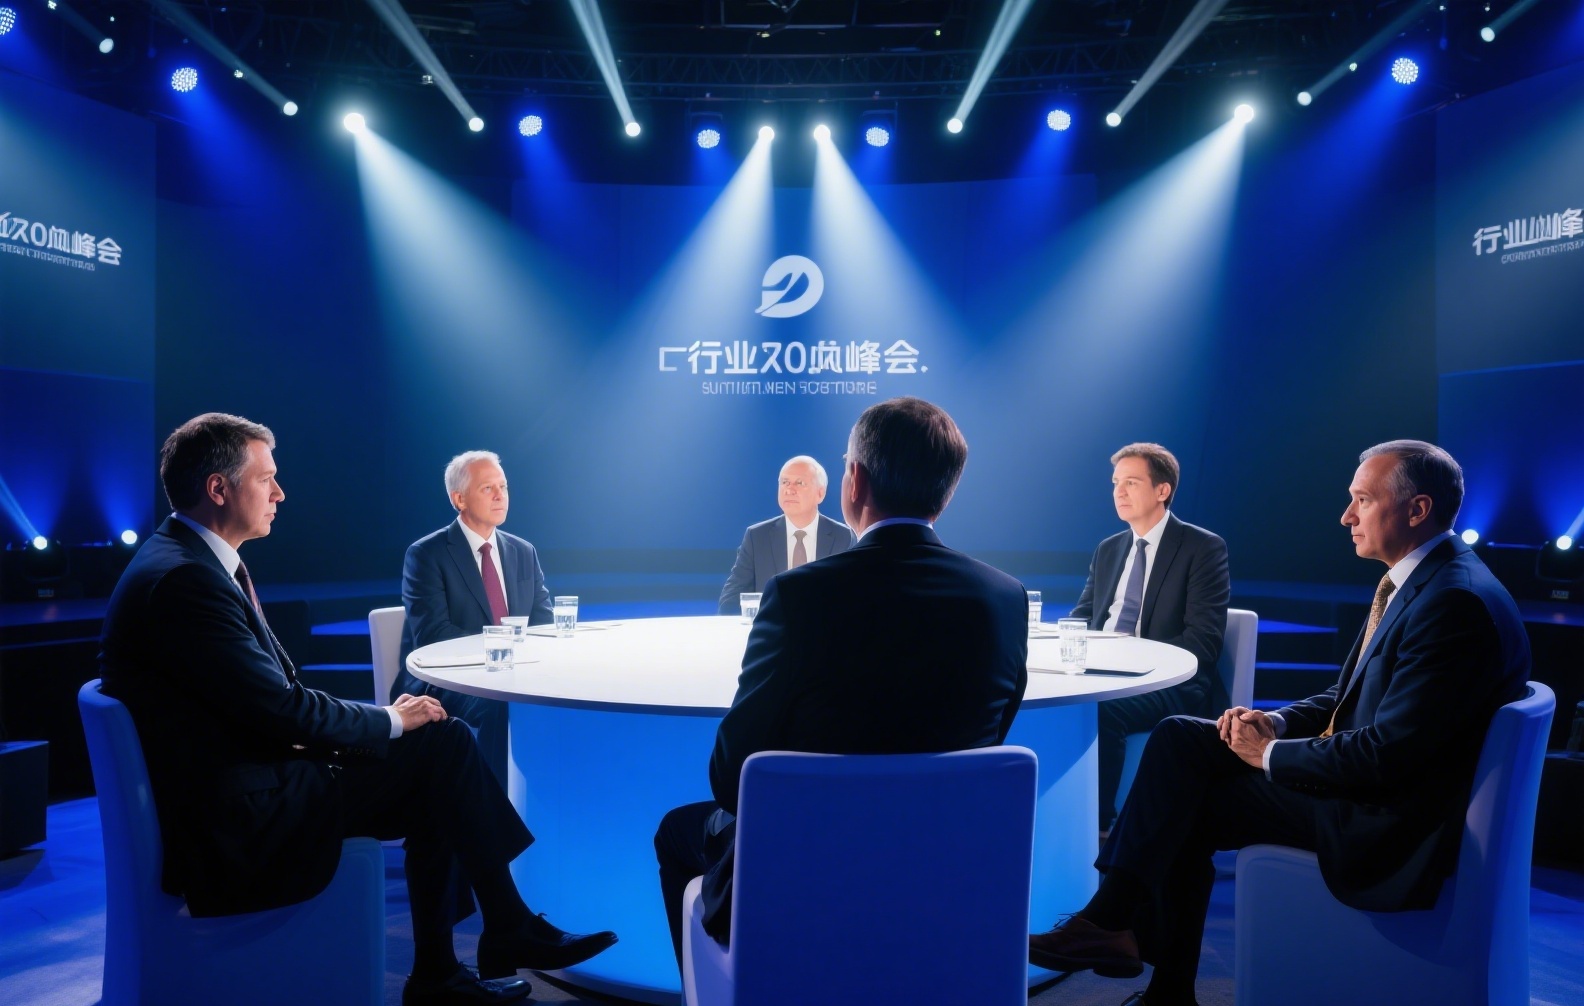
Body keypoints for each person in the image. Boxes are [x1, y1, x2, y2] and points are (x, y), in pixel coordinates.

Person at [99, 414, 615, 1006]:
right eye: (266, 479)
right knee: (443, 746)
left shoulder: (187, 561)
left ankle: (459, 959)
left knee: (441, 751)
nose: (279, 493)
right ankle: (495, 931)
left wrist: (388, 722)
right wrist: (390, 720)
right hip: (242, 817)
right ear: (218, 489)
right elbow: (282, 709)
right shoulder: (185, 580)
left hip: (254, 778)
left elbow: (267, 700)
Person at [1028, 440, 1530, 1006]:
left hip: (1383, 821)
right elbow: (1346, 696)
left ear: (1417, 510)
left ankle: (1135, 952)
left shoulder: (1453, 603)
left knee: (1187, 802)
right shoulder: (1426, 581)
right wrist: (1274, 721)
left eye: (1362, 500)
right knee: (1181, 739)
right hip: (1369, 788)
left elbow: (1386, 756)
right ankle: (1115, 928)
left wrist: (1266, 755)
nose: (1346, 516)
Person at [659, 397, 1030, 967]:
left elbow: (731, 778)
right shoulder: (1005, 598)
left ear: (853, 481)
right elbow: (991, 737)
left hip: (806, 861)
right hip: (944, 861)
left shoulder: (799, 596)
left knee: (676, 832)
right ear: (946, 491)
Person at [1069, 443, 1230, 833]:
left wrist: (1127, 662)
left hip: (1168, 683)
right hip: (1101, 672)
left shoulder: (1202, 547)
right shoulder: (1109, 549)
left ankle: (1098, 828)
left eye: (1131, 482)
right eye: (1115, 483)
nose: (1119, 492)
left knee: (1101, 710)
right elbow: (1083, 617)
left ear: (1162, 490)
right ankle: (1057, 817)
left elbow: (1203, 641)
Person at [390, 450, 552, 785]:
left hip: (516, 674)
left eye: (503, 487)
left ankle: (548, 796)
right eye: (487, 488)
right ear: (459, 499)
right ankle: (493, 807)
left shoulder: (524, 551)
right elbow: (434, 636)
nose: (500, 495)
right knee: (501, 706)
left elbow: (544, 624)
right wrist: (504, 649)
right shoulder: (426, 554)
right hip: (448, 680)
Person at [717, 455, 857, 614]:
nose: (789, 489)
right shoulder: (757, 537)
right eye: (784, 482)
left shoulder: (843, 537)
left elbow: (854, 597)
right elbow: (729, 600)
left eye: (800, 483)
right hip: (771, 628)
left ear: (820, 493)